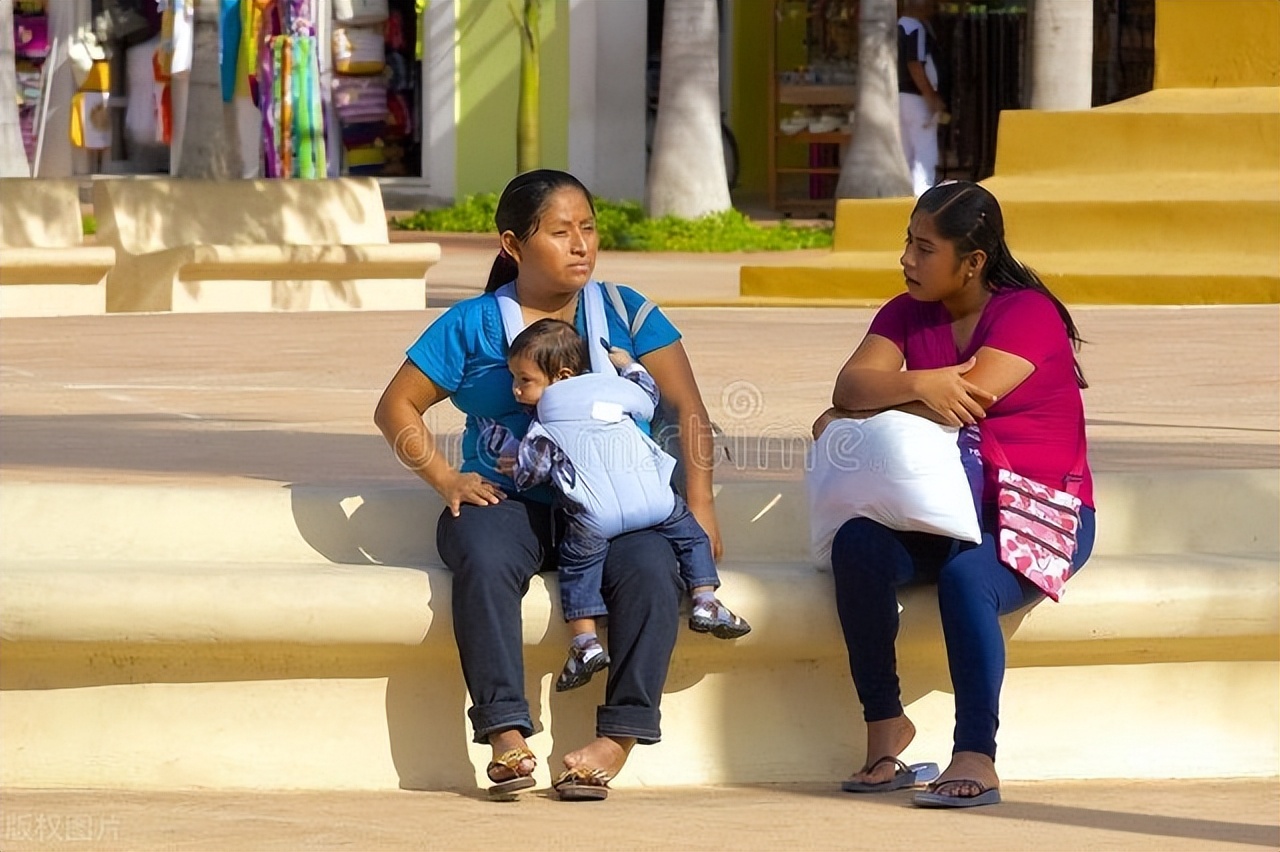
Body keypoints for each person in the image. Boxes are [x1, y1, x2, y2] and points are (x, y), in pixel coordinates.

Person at [373, 169, 724, 802]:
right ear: (512, 244)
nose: (581, 244)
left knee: (650, 567)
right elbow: (395, 408)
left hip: (613, 506)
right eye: (560, 232)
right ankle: (506, 733)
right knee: (481, 554)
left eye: (588, 229)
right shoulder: (472, 325)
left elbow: (686, 410)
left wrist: (698, 504)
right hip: (511, 502)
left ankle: (616, 740)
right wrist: (446, 476)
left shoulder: (625, 312)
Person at [812, 180, 1096, 808]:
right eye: (907, 244)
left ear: (972, 262)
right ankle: (886, 724)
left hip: (1038, 510)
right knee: (857, 542)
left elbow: (966, 400)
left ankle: (976, 754)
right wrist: (918, 384)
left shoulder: (1027, 312)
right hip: (940, 509)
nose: (907, 260)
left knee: (970, 578)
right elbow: (851, 384)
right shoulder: (903, 312)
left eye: (924, 247)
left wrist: (859, 412)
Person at [486, 319, 749, 693]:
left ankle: (585, 643)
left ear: (560, 376)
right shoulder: (615, 390)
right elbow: (649, 396)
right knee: (691, 537)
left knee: (578, 566)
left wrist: (509, 455)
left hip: (596, 519)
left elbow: (533, 472)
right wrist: (627, 362)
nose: (515, 390)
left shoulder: (544, 419)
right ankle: (705, 599)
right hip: (657, 505)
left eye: (523, 380)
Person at [898, 0, 946, 198]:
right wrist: (930, 97)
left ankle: (905, 196)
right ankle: (923, 196)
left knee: (906, 150)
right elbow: (915, 64)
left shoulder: (897, 27)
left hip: (899, 97)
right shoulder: (914, 28)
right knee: (925, 152)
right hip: (916, 97)